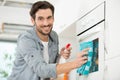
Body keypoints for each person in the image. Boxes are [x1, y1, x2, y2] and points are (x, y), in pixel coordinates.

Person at [8, 1, 89, 80]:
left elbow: (51, 64)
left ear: (53, 18)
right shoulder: (26, 39)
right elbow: (41, 70)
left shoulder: (54, 36)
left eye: (49, 18)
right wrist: (75, 63)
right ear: (33, 21)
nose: (46, 23)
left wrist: (60, 56)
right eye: (40, 19)